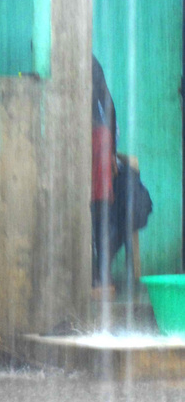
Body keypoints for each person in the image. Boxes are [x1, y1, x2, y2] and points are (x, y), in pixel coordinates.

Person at [91, 54, 117, 292]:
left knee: (92, 209)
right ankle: (102, 273)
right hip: (100, 139)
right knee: (99, 209)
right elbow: (110, 108)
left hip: (93, 139)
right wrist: (113, 153)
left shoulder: (83, 63)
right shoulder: (93, 62)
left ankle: (95, 274)